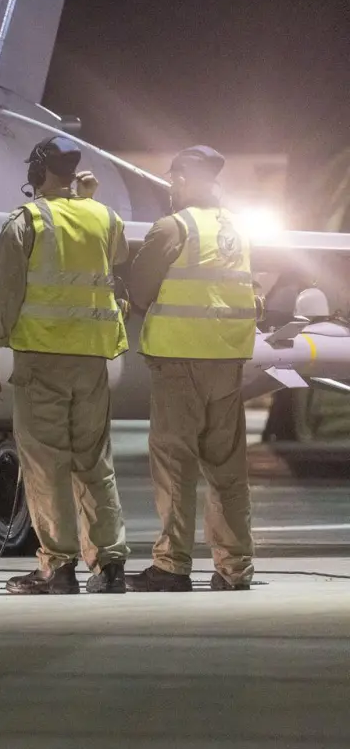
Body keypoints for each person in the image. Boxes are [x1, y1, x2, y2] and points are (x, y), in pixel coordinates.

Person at [0, 135, 132, 595]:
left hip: (42, 360)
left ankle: (57, 568)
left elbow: (4, 294)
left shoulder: (25, 222)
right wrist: (85, 201)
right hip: (91, 361)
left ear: (38, 170)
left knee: (46, 464)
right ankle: (109, 567)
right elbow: (115, 253)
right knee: (94, 464)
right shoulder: (105, 216)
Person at [125, 145, 258, 592]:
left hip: (180, 364)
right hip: (228, 365)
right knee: (227, 470)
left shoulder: (173, 227)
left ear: (182, 179)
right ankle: (234, 568)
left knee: (175, 466)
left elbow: (138, 290)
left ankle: (172, 565)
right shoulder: (238, 229)